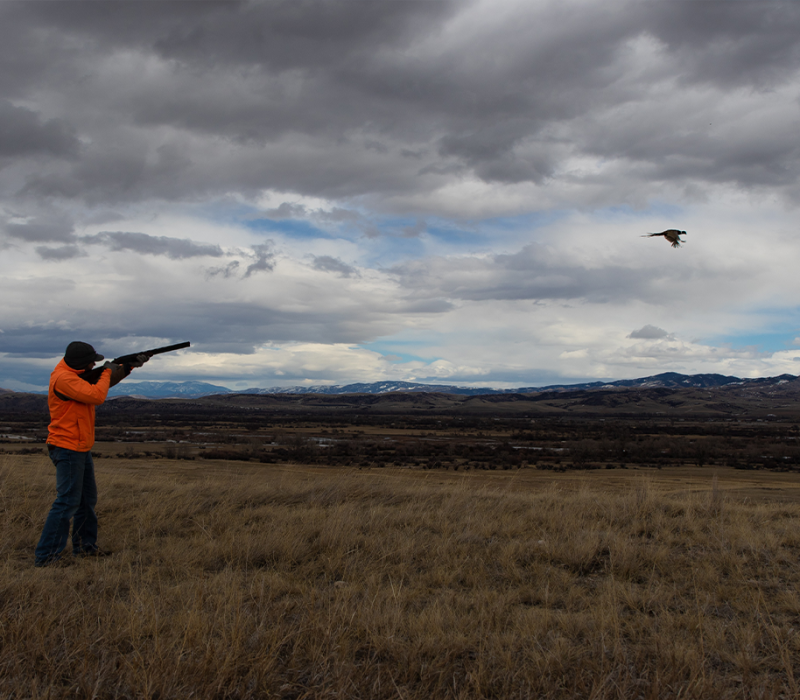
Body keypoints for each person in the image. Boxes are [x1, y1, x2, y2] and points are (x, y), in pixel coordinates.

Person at [34, 341, 148, 567]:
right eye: (91, 362)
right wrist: (107, 370)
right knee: (67, 502)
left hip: (79, 447)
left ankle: (85, 548)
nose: (93, 364)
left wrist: (126, 368)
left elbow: (99, 385)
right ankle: (46, 558)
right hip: (67, 448)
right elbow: (97, 395)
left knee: (86, 501)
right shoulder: (64, 379)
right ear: (80, 363)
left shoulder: (75, 375)